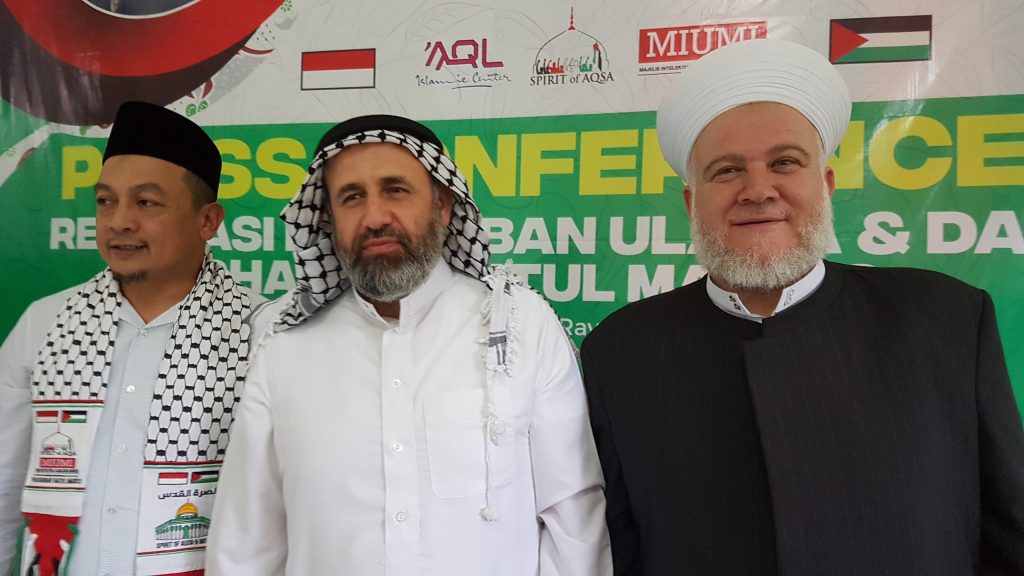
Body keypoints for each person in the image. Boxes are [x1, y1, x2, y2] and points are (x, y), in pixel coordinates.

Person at [581, 38, 1024, 576]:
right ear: (692, 203)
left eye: (785, 162)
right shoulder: (620, 351)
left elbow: (1009, 530)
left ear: (827, 185)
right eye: (726, 170)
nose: (758, 190)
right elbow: (617, 549)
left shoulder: (945, 317)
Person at [206, 115, 611, 575]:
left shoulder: (520, 322)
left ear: (443, 206)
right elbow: (247, 538)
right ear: (329, 219)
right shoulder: (284, 343)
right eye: (352, 197)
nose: (375, 217)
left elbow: (572, 520)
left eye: (395, 190)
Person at [0, 101, 258, 576]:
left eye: (146, 203)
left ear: (208, 221)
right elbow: (2, 479)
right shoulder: (46, 323)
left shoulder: (260, 331)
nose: (119, 221)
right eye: (106, 201)